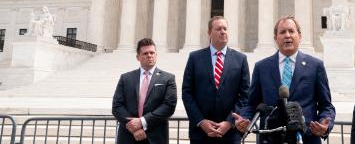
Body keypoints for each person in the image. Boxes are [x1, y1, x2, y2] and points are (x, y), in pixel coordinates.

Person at [234, 16, 336, 144]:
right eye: (282, 32)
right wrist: (244, 120)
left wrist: (325, 124)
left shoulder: (315, 66)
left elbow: (326, 105)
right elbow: (251, 103)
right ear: (275, 38)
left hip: (306, 138)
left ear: (299, 36)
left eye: (291, 31)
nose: (287, 35)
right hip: (270, 138)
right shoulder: (262, 67)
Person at [182, 16, 250, 144]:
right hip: (200, 134)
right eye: (218, 29)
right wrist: (201, 121)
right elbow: (187, 92)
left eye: (225, 28)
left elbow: (245, 96)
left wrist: (229, 122)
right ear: (209, 33)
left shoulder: (240, 59)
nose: (223, 31)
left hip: (230, 134)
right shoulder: (195, 58)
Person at [112, 38, 177, 144]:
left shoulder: (168, 78)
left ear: (156, 55)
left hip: (155, 137)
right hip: (128, 136)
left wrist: (142, 122)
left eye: (152, 53)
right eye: (145, 53)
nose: (149, 55)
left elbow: (169, 106)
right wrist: (134, 128)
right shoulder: (126, 78)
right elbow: (117, 106)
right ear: (138, 57)